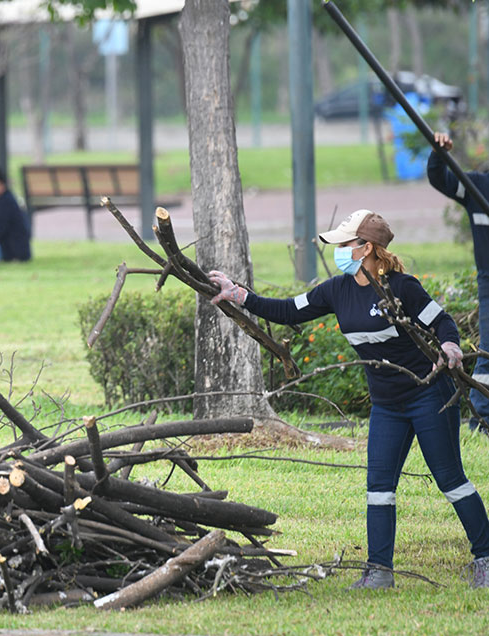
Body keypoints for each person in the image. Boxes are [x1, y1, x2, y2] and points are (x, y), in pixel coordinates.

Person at [209, 209, 489, 589]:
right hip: (387, 405)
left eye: (345, 244)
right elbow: (289, 310)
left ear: (367, 247)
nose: (339, 250)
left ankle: (485, 558)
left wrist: (451, 346)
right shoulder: (335, 290)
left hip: (429, 396)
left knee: (450, 479)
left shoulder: (402, 287)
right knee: (378, 487)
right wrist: (241, 295)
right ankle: (379, 571)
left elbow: (443, 322)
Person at [427, 131, 489, 431]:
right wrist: (439, 153)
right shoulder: (477, 187)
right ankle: (482, 421)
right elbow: (440, 179)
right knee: (488, 352)